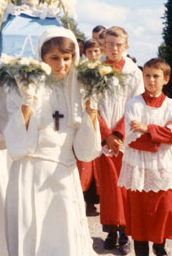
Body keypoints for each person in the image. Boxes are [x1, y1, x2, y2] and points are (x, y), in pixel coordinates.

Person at [1, 27, 101, 255]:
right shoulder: (23, 85)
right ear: (42, 58)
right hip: (31, 171)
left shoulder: (78, 89)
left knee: (64, 239)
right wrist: (27, 101)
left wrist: (91, 109)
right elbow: (15, 142)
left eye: (67, 58)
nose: (62, 65)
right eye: (54, 58)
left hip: (64, 174)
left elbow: (86, 151)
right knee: (32, 237)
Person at [118, 58, 172, 256]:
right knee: (140, 211)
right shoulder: (134, 103)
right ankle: (141, 251)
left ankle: (160, 247)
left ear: (166, 79)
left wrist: (148, 129)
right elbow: (132, 137)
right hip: (139, 165)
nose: (151, 80)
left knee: (162, 210)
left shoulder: (171, 105)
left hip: (162, 166)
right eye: (147, 76)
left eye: (156, 76)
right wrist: (159, 135)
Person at [96, 26, 144, 255]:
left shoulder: (134, 72)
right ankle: (110, 230)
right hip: (103, 136)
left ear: (126, 47)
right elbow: (90, 104)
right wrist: (105, 133)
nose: (114, 48)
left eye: (119, 45)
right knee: (107, 187)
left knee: (125, 186)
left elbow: (136, 105)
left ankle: (126, 232)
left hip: (125, 137)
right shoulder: (94, 70)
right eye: (110, 44)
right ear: (103, 45)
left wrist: (119, 133)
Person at [77, 38, 103, 217]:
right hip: (87, 116)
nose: (93, 55)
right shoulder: (81, 71)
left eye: (96, 52)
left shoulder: (106, 70)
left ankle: (97, 200)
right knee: (86, 162)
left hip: (103, 117)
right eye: (90, 52)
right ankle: (85, 200)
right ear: (85, 53)